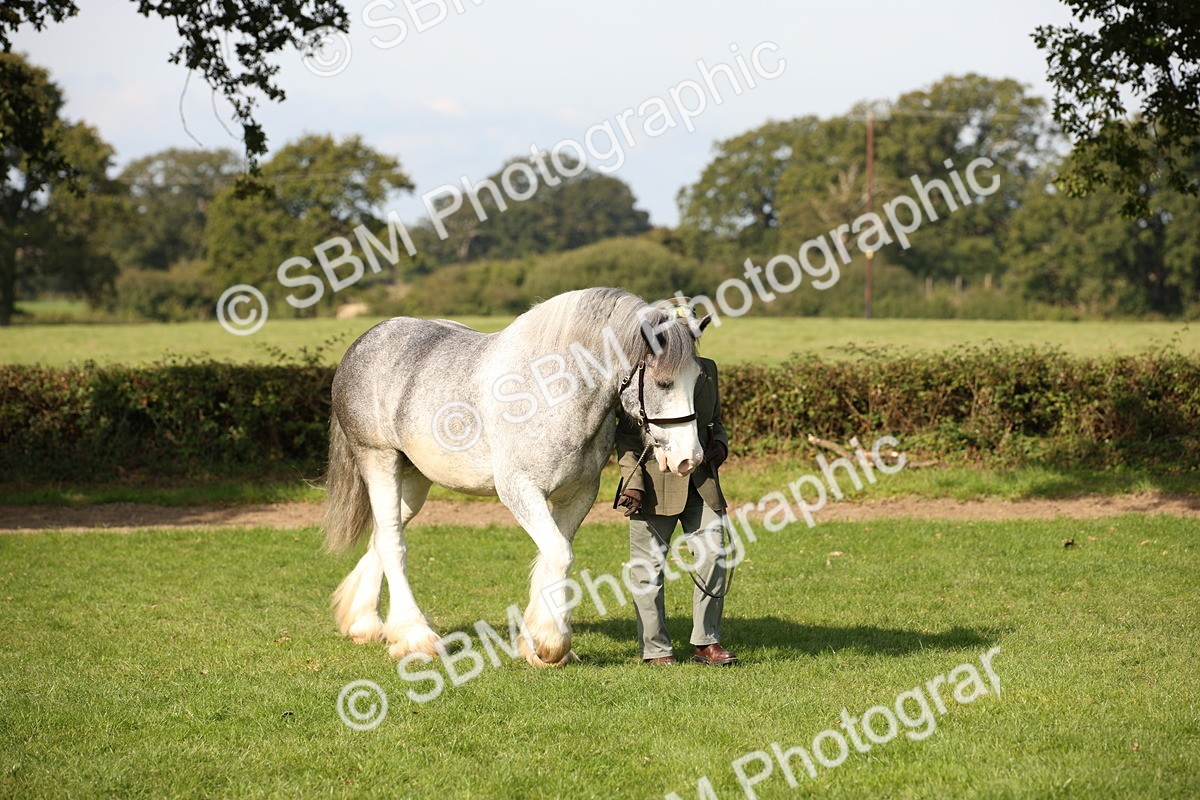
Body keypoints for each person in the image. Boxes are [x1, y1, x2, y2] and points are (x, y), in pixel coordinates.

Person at [614, 299, 737, 666]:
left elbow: (716, 421)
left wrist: (721, 445)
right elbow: (627, 436)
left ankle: (706, 642)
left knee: (715, 554)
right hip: (652, 485)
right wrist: (632, 482)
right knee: (648, 570)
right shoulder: (641, 372)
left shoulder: (708, 370)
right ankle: (655, 649)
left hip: (701, 482)